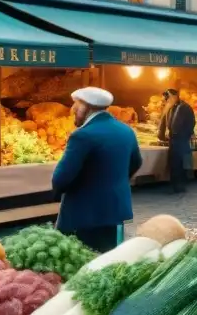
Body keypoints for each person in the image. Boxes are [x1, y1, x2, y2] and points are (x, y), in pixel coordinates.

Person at [52, 87, 141, 252]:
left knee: (82, 264)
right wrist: (114, 180)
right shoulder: (126, 131)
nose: (73, 111)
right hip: (115, 212)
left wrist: (59, 192)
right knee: (110, 260)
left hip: (84, 216)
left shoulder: (82, 136)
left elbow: (60, 179)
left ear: (87, 107)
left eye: (77, 106)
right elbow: (136, 162)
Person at [157, 88, 195, 194]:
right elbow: (165, 124)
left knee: (181, 163)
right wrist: (163, 136)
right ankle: (176, 185)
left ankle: (180, 186)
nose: (166, 101)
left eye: (168, 98)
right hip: (174, 141)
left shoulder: (185, 108)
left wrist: (182, 135)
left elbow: (189, 124)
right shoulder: (171, 107)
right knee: (174, 164)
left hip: (181, 140)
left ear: (174, 96)